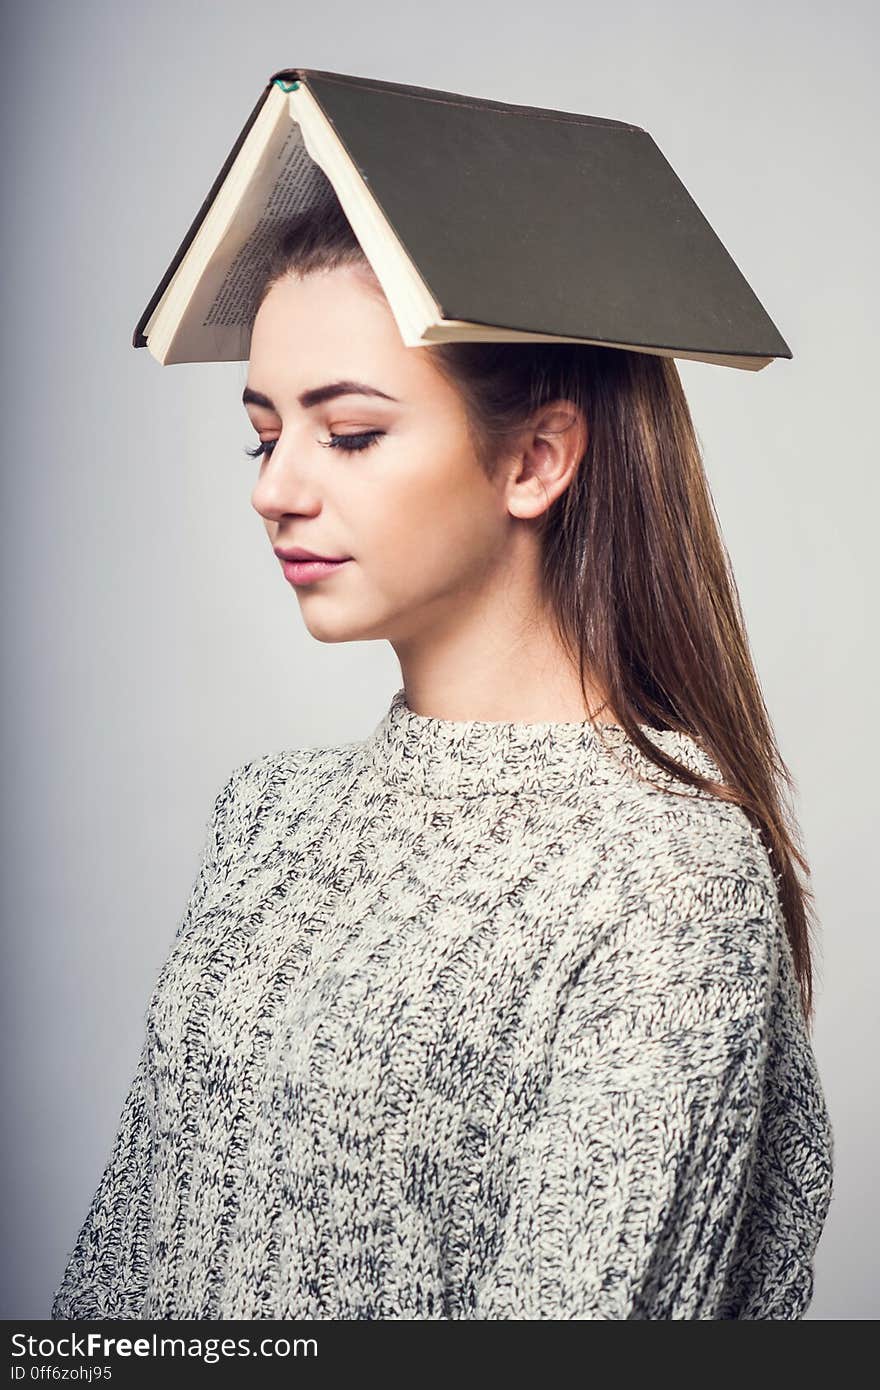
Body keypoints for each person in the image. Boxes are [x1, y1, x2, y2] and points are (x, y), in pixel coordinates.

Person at [51, 198, 834, 1321]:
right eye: (263, 433)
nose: (275, 489)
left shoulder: (666, 880)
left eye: (351, 433)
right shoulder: (265, 818)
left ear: (536, 458)